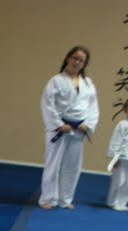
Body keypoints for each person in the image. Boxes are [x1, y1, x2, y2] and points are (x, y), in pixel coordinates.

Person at [39, 45, 99, 209]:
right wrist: (58, 124)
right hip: (60, 128)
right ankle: (47, 199)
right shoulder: (56, 81)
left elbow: (93, 107)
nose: (77, 62)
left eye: (81, 60)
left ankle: (65, 199)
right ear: (68, 58)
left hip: (78, 130)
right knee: (53, 165)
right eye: (75, 58)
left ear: (84, 64)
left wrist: (88, 124)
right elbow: (47, 104)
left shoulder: (88, 83)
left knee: (72, 167)